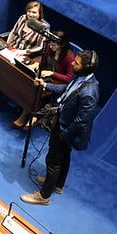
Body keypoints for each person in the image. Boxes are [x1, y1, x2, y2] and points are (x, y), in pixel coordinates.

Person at [20, 50, 100, 206]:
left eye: (76, 63)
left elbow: (82, 122)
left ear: (87, 67)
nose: (72, 63)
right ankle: (57, 185)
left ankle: (44, 196)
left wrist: (64, 135)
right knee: (64, 157)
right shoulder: (79, 77)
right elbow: (66, 90)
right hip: (64, 124)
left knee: (54, 160)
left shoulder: (89, 92)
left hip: (67, 130)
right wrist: (46, 85)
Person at [0, 1, 48, 94]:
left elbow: (40, 47)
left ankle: (4, 89)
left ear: (40, 14)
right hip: (12, 48)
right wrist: (7, 45)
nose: (31, 14)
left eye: (34, 12)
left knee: (8, 67)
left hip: (26, 55)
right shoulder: (23, 18)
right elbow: (13, 32)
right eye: (29, 11)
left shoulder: (43, 27)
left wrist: (24, 52)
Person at [11, 31, 74, 129]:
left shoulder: (69, 57)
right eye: (51, 42)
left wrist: (53, 73)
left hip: (57, 82)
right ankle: (28, 108)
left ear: (62, 45)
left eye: (54, 44)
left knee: (34, 90)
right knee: (26, 80)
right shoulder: (49, 48)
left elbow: (69, 78)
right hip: (45, 75)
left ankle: (27, 116)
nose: (51, 45)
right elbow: (43, 60)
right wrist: (37, 63)